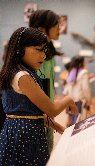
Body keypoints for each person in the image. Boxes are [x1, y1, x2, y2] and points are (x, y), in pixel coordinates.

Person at [0, 27, 78, 165]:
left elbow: (32, 115)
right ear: (20, 49)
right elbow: (52, 110)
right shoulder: (23, 77)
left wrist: (60, 128)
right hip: (25, 137)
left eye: (44, 50)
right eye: (38, 49)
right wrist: (69, 99)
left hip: (21, 133)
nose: (43, 55)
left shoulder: (17, 73)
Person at [29, 9, 62, 153]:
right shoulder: (33, 56)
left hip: (46, 113)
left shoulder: (49, 51)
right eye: (56, 26)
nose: (59, 29)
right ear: (41, 29)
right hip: (37, 116)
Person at [63, 56, 92, 127]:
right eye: (84, 62)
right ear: (81, 63)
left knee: (72, 120)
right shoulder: (84, 72)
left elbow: (67, 88)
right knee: (79, 122)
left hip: (70, 100)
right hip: (79, 100)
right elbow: (86, 88)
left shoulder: (71, 71)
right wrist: (88, 100)